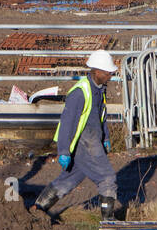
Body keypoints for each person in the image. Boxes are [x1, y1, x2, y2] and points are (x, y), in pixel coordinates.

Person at [33, 50, 123, 219]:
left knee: (69, 179)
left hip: (93, 140)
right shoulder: (79, 93)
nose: (110, 76)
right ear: (96, 71)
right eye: (107, 73)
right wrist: (64, 151)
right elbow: (67, 123)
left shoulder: (99, 89)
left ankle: (37, 210)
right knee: (107, 178)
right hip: (84, 142)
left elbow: (100, 116)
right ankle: (108, 224)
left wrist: (106, 137)